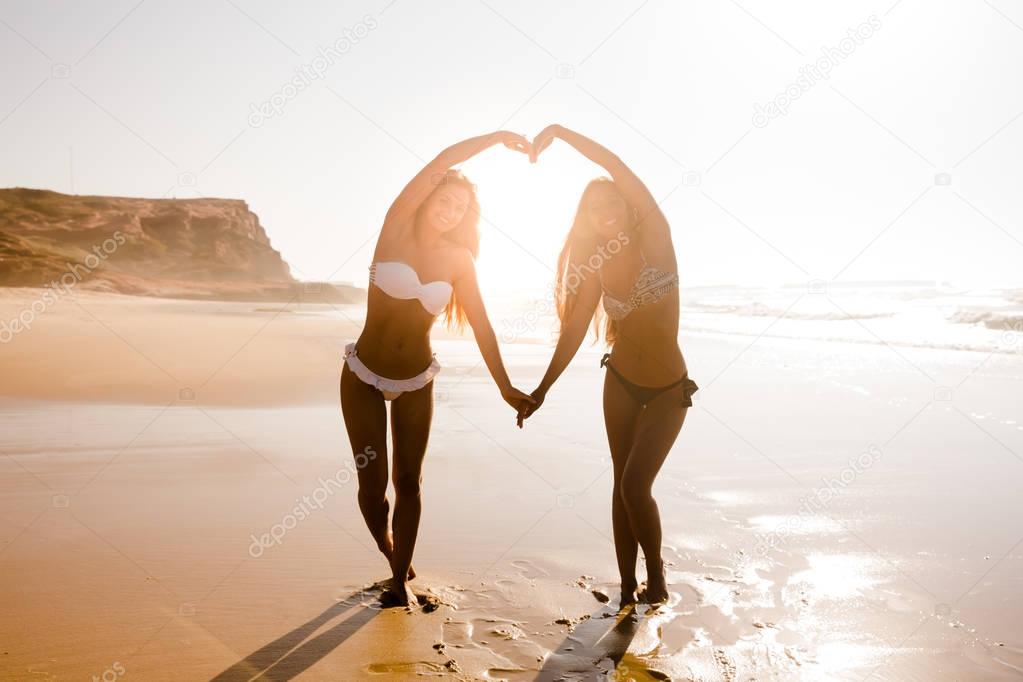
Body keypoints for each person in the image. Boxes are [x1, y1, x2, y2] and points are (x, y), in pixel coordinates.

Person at [340, 131, 535, 606]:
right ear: (428, 197)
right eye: (445, 199)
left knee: (409, 481)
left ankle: (399, 583)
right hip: (362, 374)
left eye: (461, 208)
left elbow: (483, 325)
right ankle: (390, 552)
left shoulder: (459, 260)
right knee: (372, 485)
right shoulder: (395, 228)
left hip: (416, 381)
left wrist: (506, 387)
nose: (451, 210)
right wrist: (497, 138)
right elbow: (443, 158)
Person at [519, 124, 697, 606]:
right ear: (588, 220)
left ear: (628, 207)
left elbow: (616, 167)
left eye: (612, 203)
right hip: (619, 380)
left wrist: (559, 132)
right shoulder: (596, 265)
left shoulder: (656, 239)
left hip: (667, 390)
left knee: (637, 484)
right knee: (622, 485)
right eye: (594, 210)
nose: (605, 214)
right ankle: (625, 586)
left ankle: (656, 575)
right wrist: (542, 389)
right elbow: (575, 330)